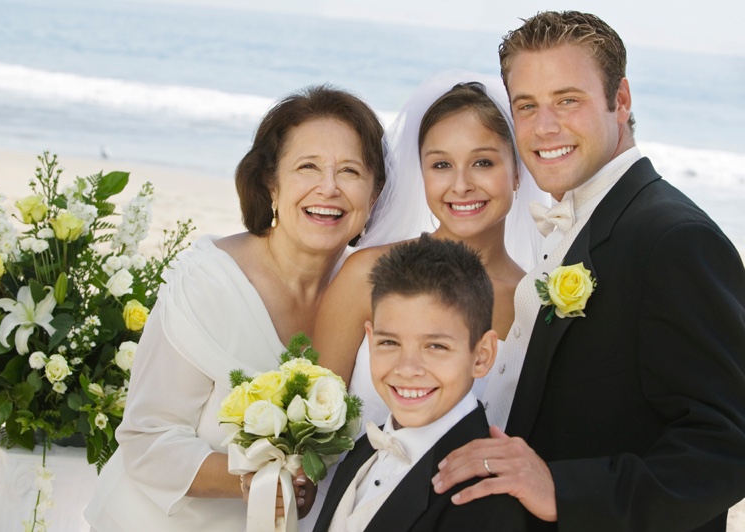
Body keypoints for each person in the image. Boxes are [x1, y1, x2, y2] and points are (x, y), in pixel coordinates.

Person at [431, 11, 745, 531]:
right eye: (527, 106)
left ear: (619, 101)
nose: (545, 126)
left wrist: (562, 490)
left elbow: (730, 444)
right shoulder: (585, 221)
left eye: (567, 100)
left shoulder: (673, 238)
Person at [83, 85, 386, 530]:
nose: (329, 188)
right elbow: (146, 439)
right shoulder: (207, 281)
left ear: (374, 194)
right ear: (271, 185)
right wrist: (253, 479)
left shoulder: (372, 292)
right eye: (308, 167)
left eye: (350, 171)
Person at [314, 70, 545, 431]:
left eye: (483, 162)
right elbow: (309, 412)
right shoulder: (366, 273)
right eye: (441, 165)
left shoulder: (532, 304)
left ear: (518, 171)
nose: (461, 185)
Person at [313, 235, 528, 531]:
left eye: (436, 347)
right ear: (370, 338)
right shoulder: (361, 452)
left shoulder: (487, 500)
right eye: (389, 342)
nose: (408, 368)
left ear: (482, 355)